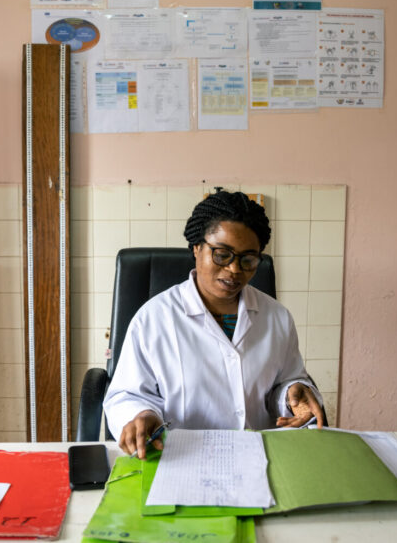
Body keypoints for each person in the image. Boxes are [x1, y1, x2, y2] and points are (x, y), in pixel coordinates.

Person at [103, 190, 325, 458]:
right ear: (197, 247)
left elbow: (287, 381)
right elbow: (126, 394)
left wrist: (293, 395)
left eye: (248, 259)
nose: (234, 270)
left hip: (259, 457)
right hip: (180, 457)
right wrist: (142, 415)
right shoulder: (154, 318)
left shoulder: (276, 317)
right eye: (222, 254)